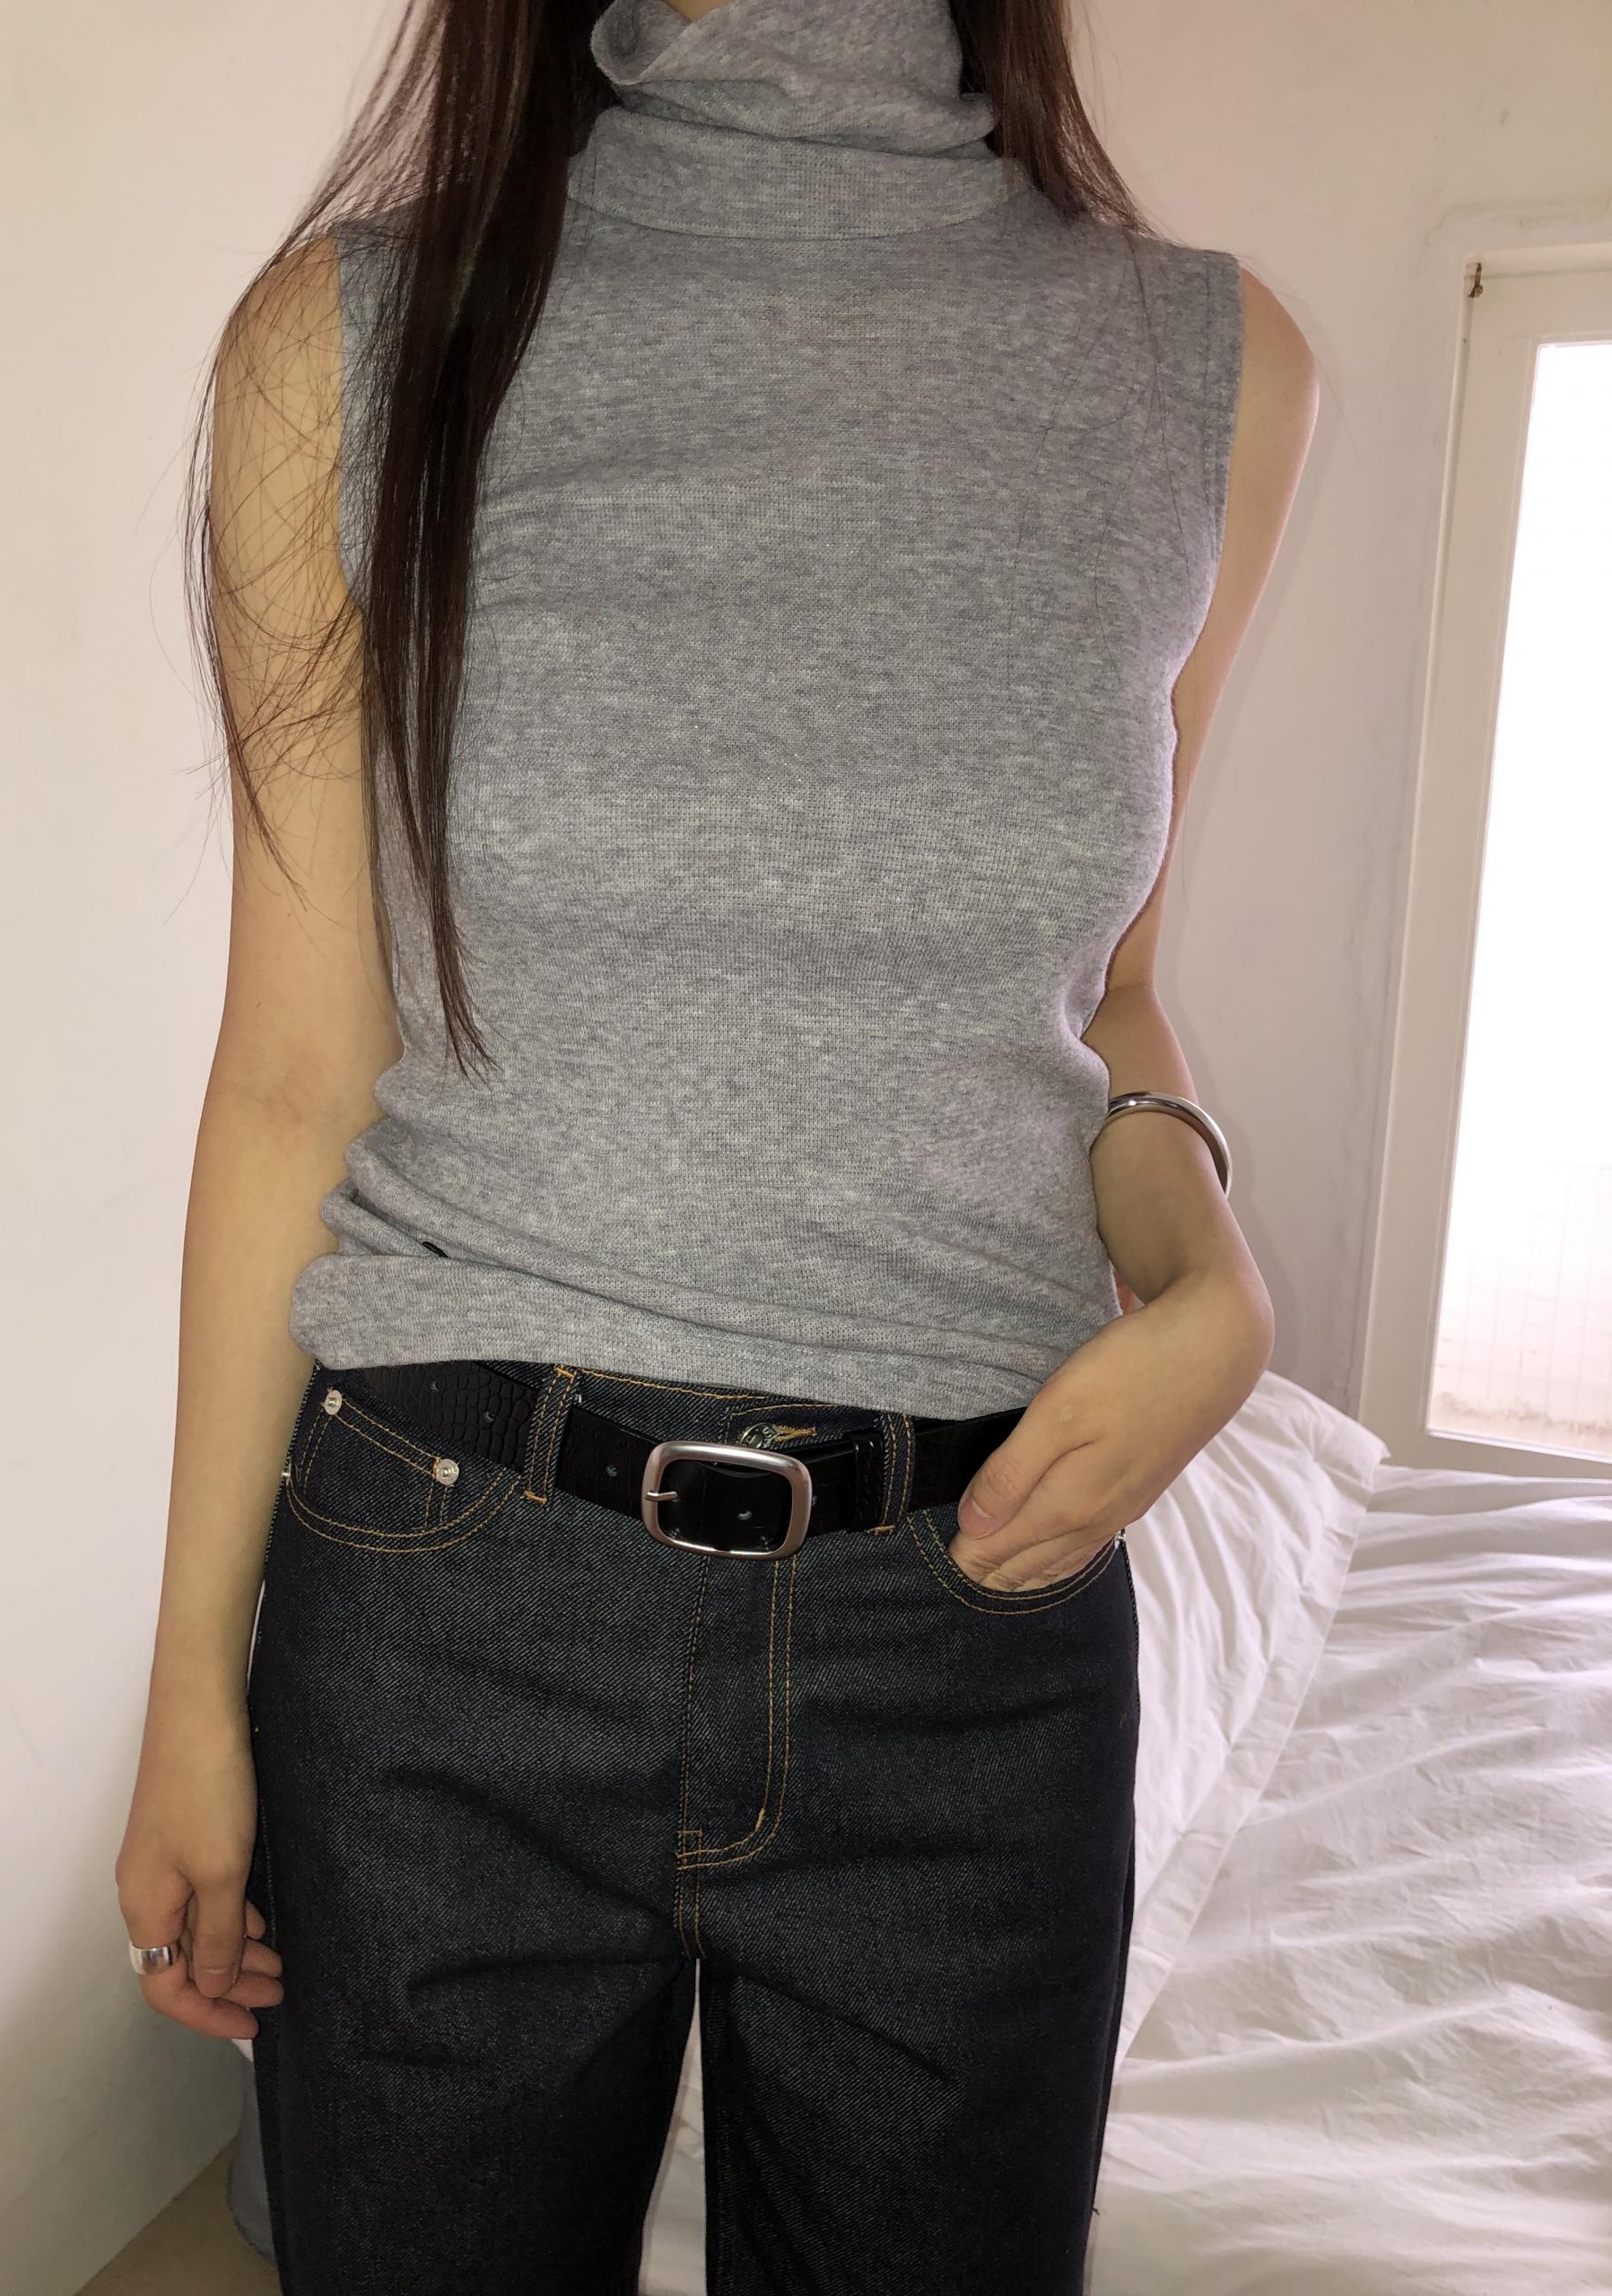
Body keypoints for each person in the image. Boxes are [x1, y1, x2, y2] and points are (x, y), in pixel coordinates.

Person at [115, 0, 1314, 2287]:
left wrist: (1216, 1282)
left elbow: (1106, 1002)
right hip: (447, 1607)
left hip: (973, 1629)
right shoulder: (350, 340)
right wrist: (191, 1681)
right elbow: (290, 1073)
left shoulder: (1214, 369)